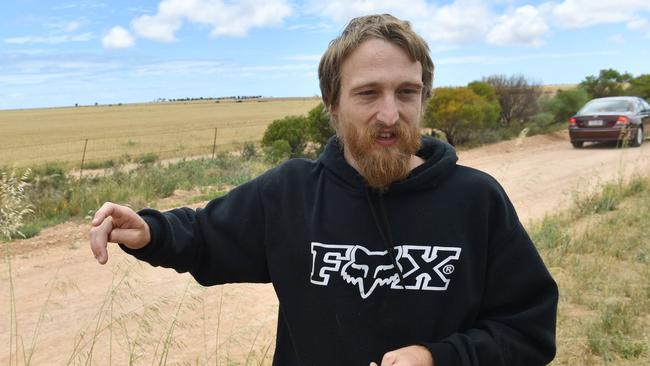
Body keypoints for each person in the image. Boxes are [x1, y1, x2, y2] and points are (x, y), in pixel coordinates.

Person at [89, 14, 558, 366]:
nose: (391, 114)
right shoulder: (291, 193)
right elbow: (205, 235)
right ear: (332, 103)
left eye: (407, 92)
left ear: (424, 96)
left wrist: (441, 358)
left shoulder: (475, 200)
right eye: (368, 93)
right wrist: (149, 231)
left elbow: (528, 330)